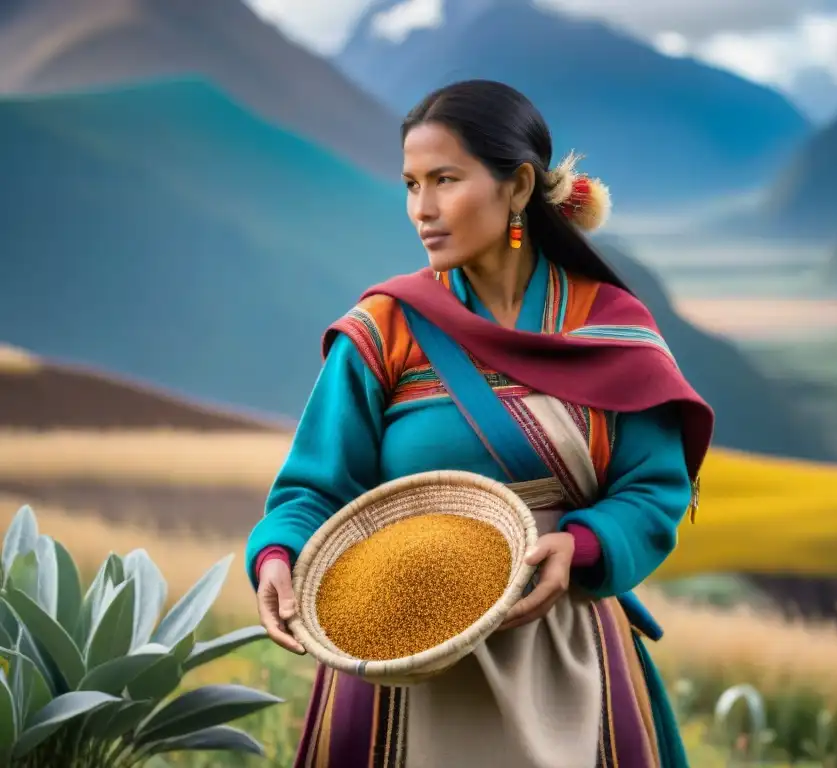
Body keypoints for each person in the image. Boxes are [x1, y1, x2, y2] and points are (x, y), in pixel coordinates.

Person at [245, 79, 714, 768]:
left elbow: (654, 489)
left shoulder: (609, 326)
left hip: (563, 652)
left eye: (445, 180)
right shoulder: (382, 331)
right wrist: (279, 555)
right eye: (410, 184)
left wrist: (583, 547)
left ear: (518, 186)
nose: (421, 209)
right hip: (398, 661)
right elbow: (311, 491)